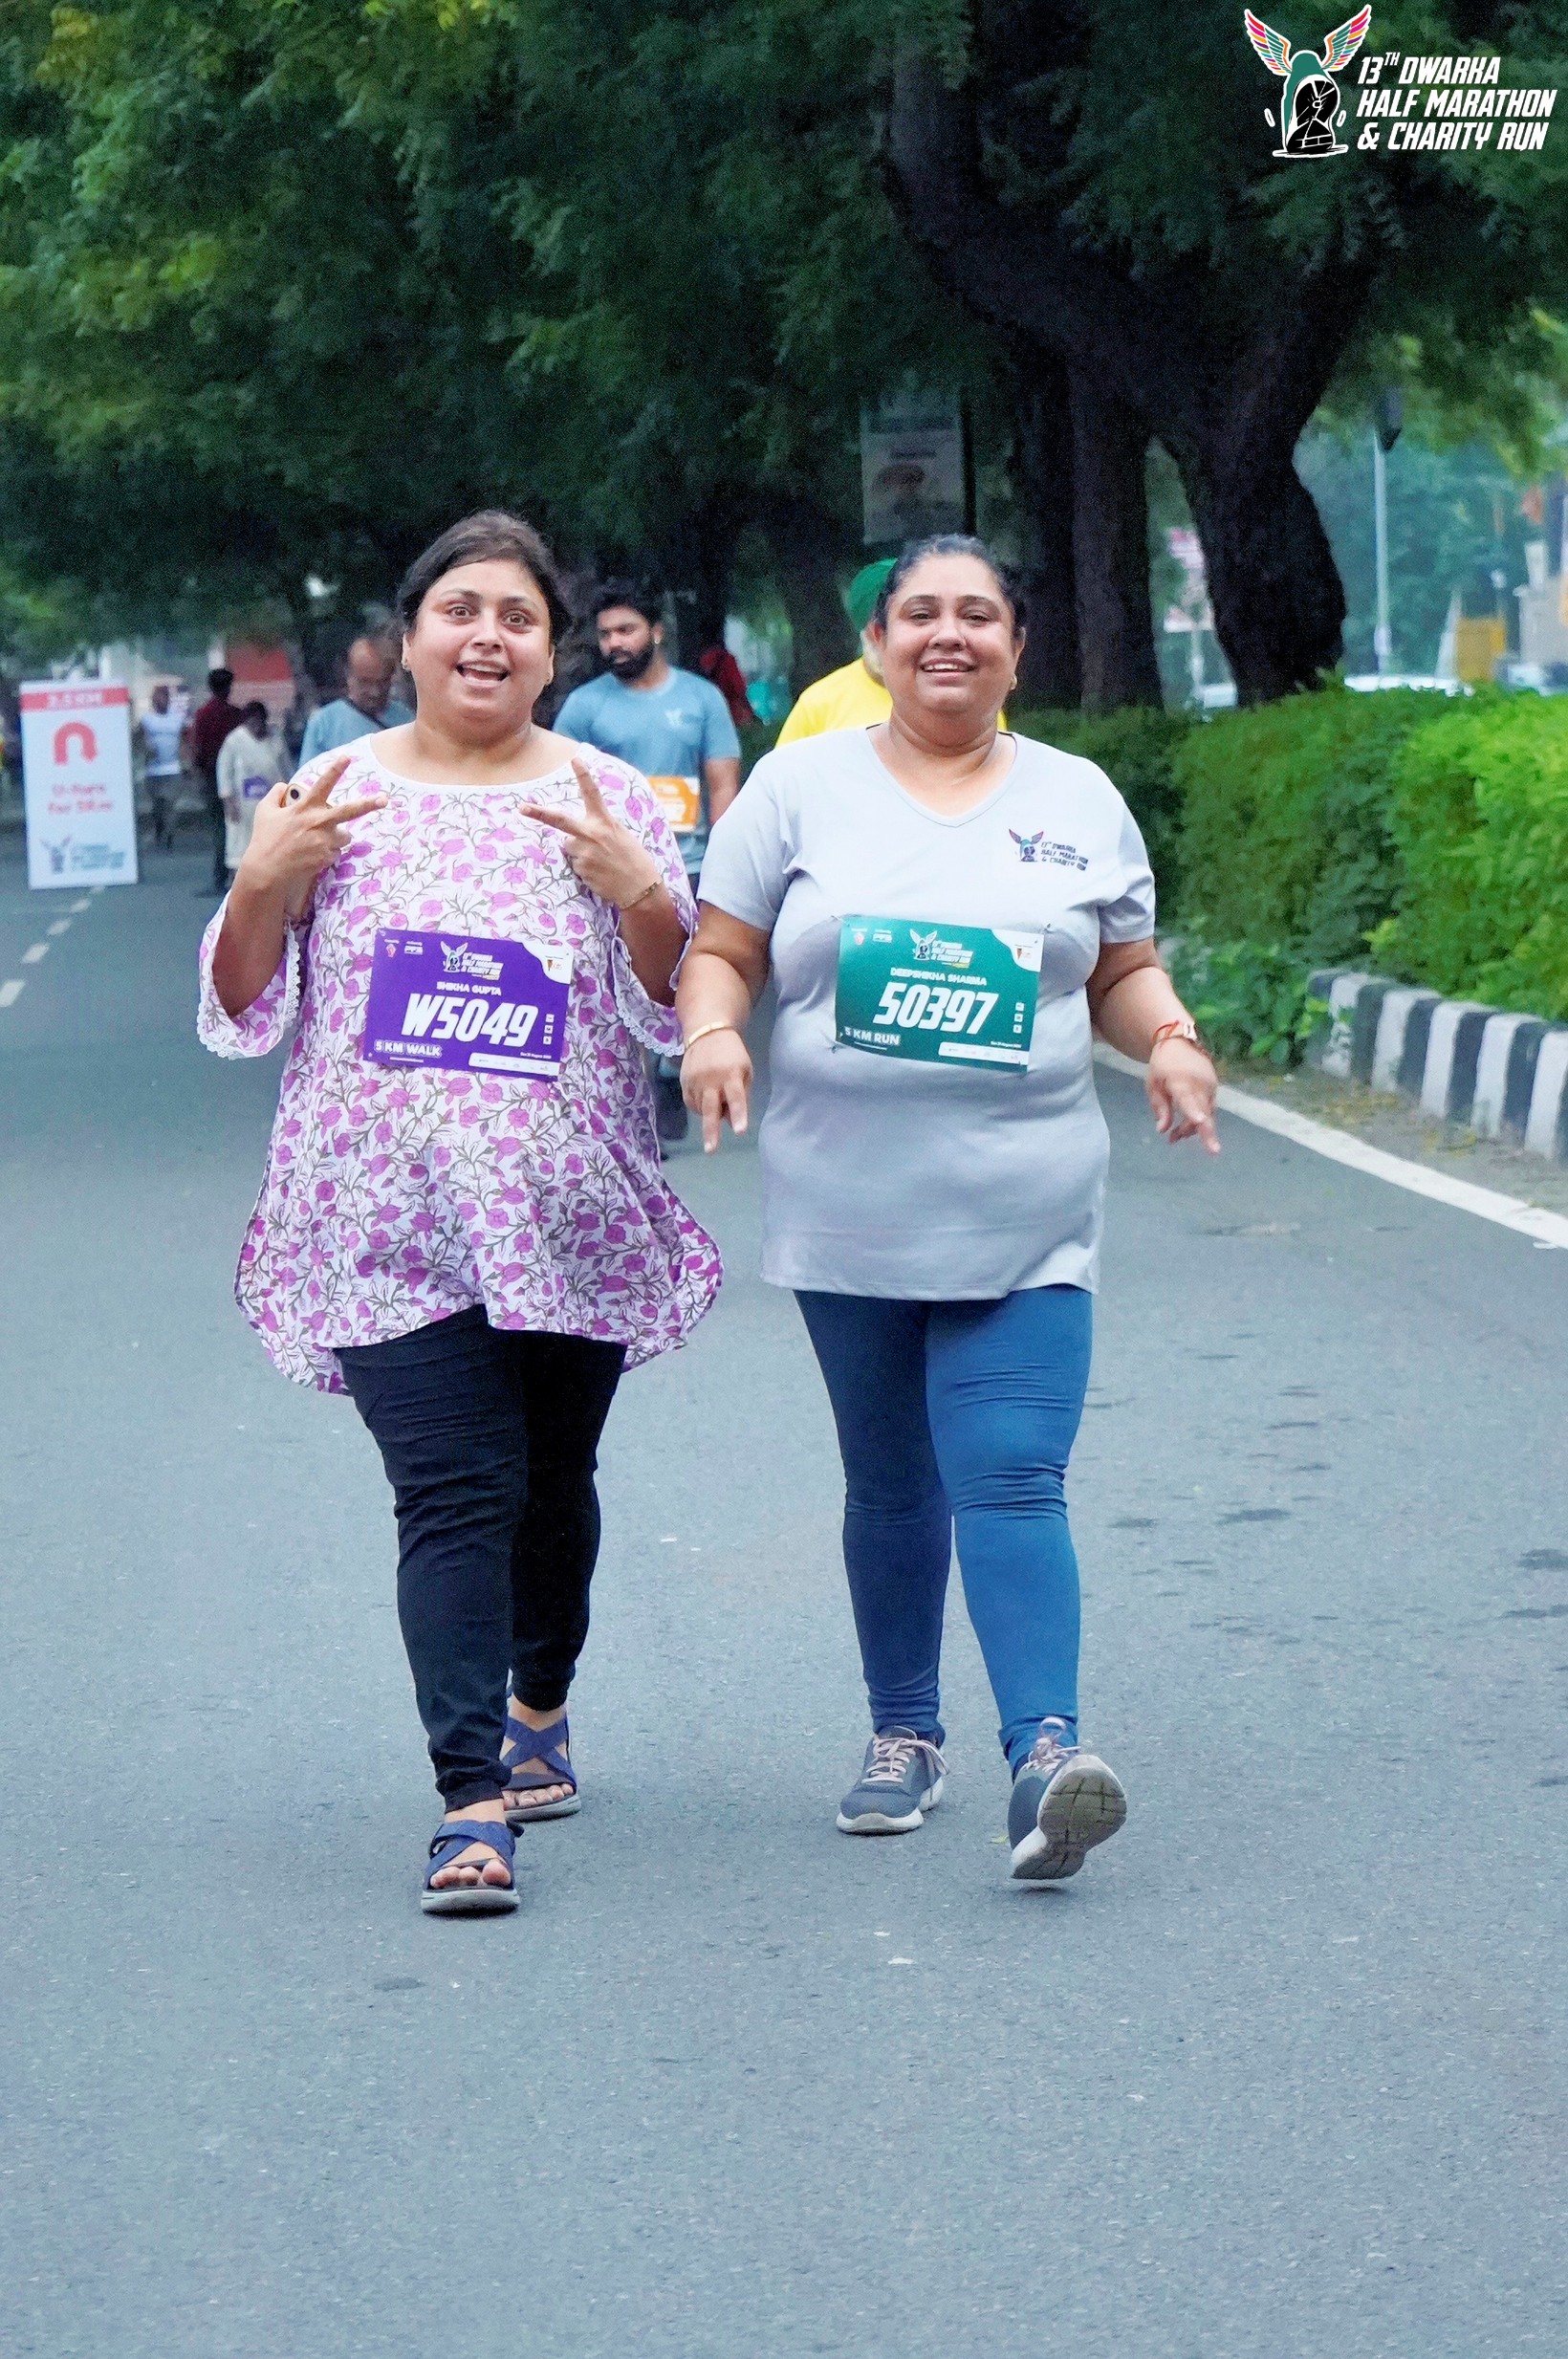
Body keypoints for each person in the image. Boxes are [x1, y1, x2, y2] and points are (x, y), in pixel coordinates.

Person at [199, 511, 721, 1916]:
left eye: (517, 617)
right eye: (460, 610)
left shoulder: (610, 797)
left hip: (568, 1217)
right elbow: (241, 994)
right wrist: (262, 879)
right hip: (382, 1220)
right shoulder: (327, 792)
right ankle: (469, 1798)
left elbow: (674, 1001)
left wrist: (640, 895)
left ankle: (540, 1694)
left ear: (553, 654)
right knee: (452, 1491)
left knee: (550, 1485)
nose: (487, 635)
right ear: (412, 635)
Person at [678, 534, 1218, 1886]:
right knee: (891, 1480)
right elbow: (723, 948)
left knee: (1013, 1469)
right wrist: (711, 1032)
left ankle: (1045, 1759)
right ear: (876, 644)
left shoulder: (1078, 797)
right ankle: (904, 1731)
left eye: (978, 614)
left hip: (1027, 1206)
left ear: (1016, 649)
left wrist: (1170, 1041)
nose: (947, 633)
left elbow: (1122, 970)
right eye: (918, 611)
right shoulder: (798, 789)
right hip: (847, 1206)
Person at [555, 580, 742, 1143]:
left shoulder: (701, 699)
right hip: (614, 873)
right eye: (605, 634)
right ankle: (634, 1109)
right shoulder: (584, 707)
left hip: (692, 863)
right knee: (622, 987)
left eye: (626, 630)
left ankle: (670, 1069)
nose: (614, 643)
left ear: (656, 632)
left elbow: (722, 782)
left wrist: (727, 862)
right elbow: (561, 784)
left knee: (686, 977)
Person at [773, 559, 896, 745]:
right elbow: (784, 763)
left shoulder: (940, 695)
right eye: (880, 627)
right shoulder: (818, 704)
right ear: (866, 630)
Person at [298, 635, 414, 762]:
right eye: (365, 682)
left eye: (383, 682)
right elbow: (309, 772)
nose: (375, 692)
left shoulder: (407, 720)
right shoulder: (323, 724)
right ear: (348, 675)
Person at [187, 666, 246, 893]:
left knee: (219, 826)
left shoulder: (203, 714)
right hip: (238, 776)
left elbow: (198, 748)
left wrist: (198, 770)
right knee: (238, 823)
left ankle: (220, 875)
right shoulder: (236, 715)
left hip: (211, 775)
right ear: (229, 688)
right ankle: (238, 871)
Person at [216, 699, 288, 875]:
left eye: (259, 721)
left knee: (271, 844)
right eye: (251, 722)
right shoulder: (234, 741)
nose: (255, 727)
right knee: (241, 846)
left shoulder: (275, 738)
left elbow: (286, 769)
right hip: (242, 804)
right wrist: (229, 802)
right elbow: (224, 772)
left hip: (271, 802)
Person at [137, 682, 185, 850]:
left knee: (170, 803)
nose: (161, 700)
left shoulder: (177, 720)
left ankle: (170, 835)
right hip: (153, 770)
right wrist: (145, 748)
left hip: (173, 769)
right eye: (158, 697)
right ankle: (159, 829)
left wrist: (186, 763)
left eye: (165, 697)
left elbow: (184, 742)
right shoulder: (146, 720)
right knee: (158, 805)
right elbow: (137, 740)